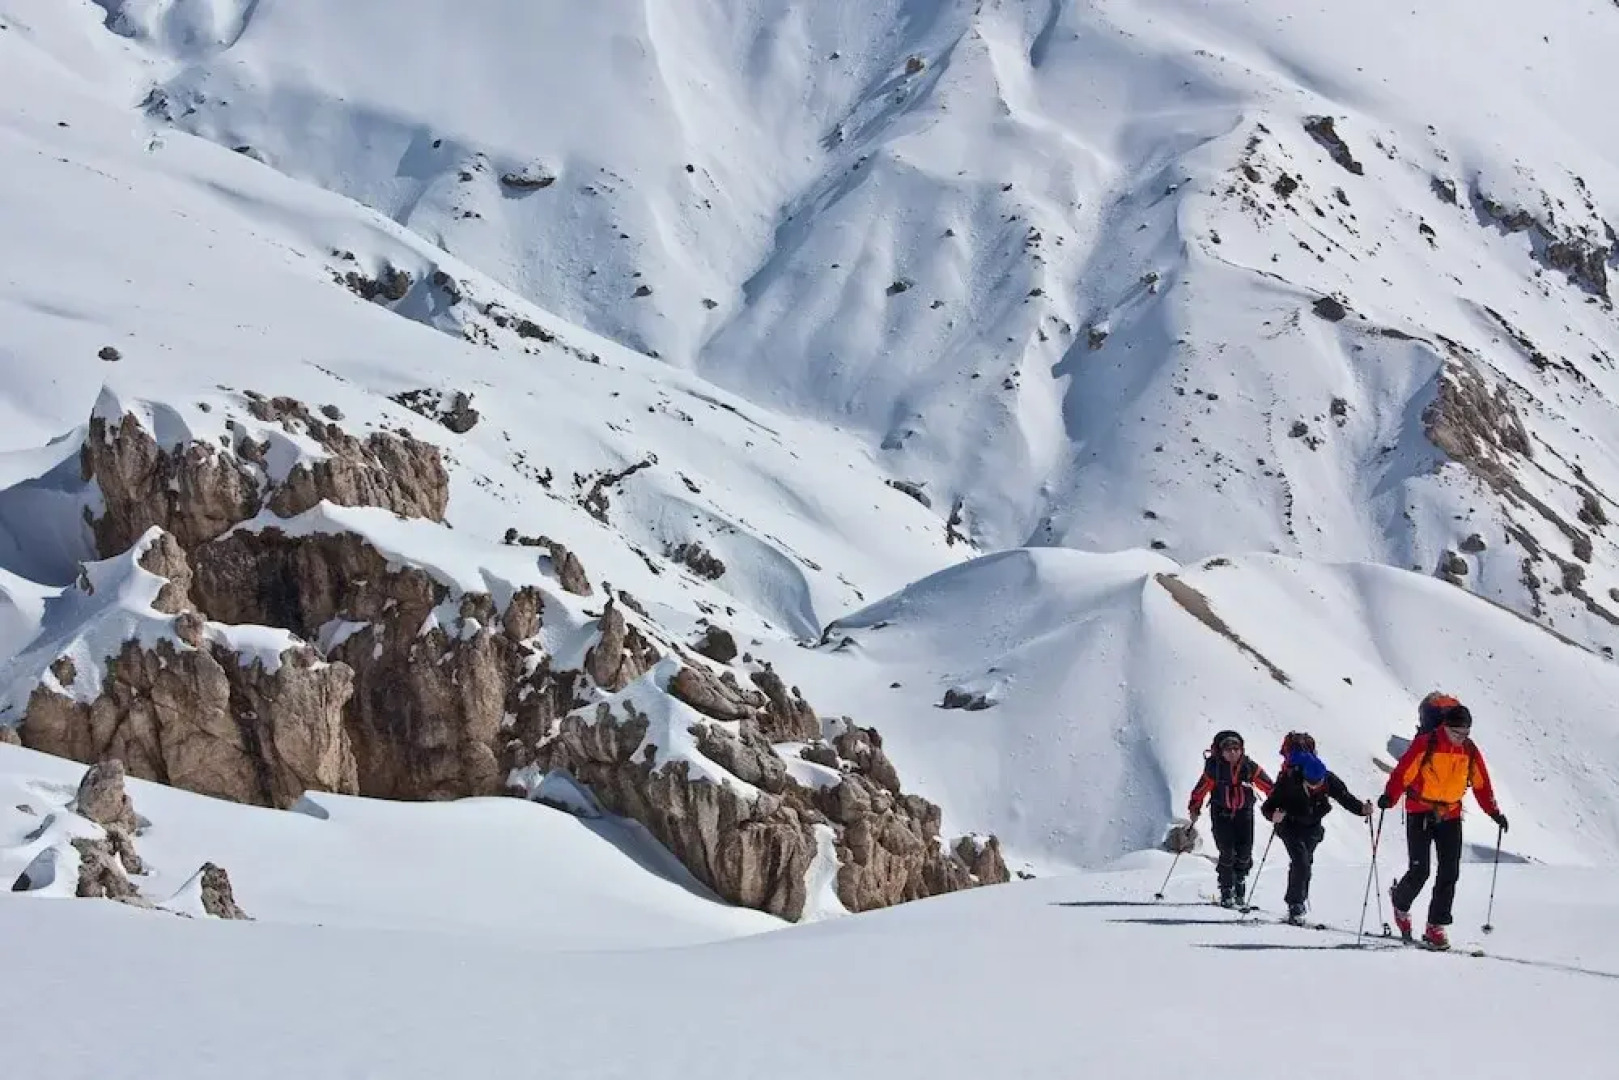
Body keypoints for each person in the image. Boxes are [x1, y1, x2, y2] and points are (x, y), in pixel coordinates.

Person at [1378, 693, 1508, 950]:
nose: (1461, 737)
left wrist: (1494, 812)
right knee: (1420, 870)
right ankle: (1400, 903)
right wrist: (1389, 797)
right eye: (1457, 733)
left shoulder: (1469, 750)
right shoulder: (1426, 743)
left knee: (1449, 871)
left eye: (1465, 733)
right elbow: (1403, 773)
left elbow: (1481, 783)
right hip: (1420, 810)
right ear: (1445, 726)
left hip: (1450, 813)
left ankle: (1435, 926)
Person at [1260, 746, 1372, 923]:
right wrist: (1273, 815)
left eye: (1318, 782)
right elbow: (1268, 806)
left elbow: (1345, 797)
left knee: (1305, 863)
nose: (1315, 785)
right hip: (1289, 825)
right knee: (1301, 862)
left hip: (1312, 827)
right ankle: (1296, 904)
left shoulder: (1328, 779)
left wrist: (1361, 809)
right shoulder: (1289, 780)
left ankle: (1298, 901)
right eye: (1311, 782)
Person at [1187, 730, 1275, 908]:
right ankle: (1227, 889)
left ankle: (1240, 880)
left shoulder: (1249, 767)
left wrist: (1277, 803)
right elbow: (1201, 789)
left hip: (1244, 813)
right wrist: (1194, 807)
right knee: (1227, 851)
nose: (1233, 753)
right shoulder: (1214, 768)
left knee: (1244, 852)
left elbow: (1268, 786)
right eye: (1228, 750)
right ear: (1221, 751)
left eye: (1236, 749)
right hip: (1221, 813)